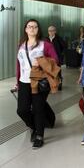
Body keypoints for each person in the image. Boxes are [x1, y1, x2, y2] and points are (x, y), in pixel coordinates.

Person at [16, 19, 59, 149]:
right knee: (22, 110)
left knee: (37, 109)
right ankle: (34, 127)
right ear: (25, 29)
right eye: (30, 26)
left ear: (38, 29)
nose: (32, 29)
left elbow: (55, 60)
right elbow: (19, 65)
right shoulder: (22, 45)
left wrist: (41, 61)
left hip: (40, 81)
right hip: (24, 81)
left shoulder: (45, 45)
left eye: (35, 27)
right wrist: (17, 82)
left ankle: (39, 136)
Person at [46, 25, 66, 90]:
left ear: (55, 31)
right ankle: (50, 85)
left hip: (57, 59)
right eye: (49, 31)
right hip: (48, 59)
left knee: (57, 72)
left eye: (52, 31)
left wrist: (61, 55)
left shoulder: (59, 39)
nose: (51, 32)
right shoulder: (46, 39)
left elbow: (64, 47)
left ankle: (59, 84)